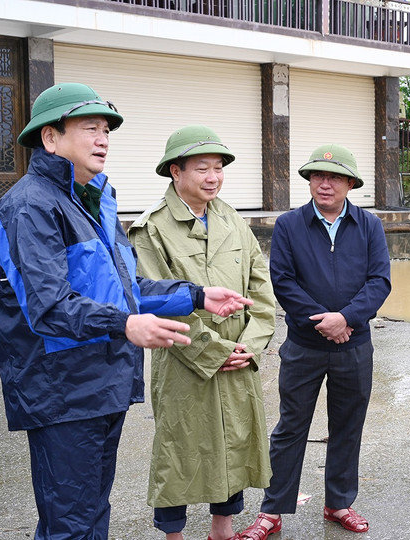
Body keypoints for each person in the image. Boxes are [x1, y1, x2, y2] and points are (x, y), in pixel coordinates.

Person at [0, 83, 249, 539]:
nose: (103, 139)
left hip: (101, 386)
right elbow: (49, 307)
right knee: (69, 523)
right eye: (90, 128)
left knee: (91, 515)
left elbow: (124, 288)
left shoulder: (94, 200)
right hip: (61, 392)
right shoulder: (29, 207)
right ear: (50, 138)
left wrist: (195, 295)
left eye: (106, 129)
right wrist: (126, 325)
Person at [128, 125, 276, 540]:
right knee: (179, 454)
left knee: (234, 448)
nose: (213, 177)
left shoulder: (233, 219)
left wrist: (252, 344)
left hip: (239, 359)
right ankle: (173, 535)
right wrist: (214, 352)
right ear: (175, 172)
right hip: (184, 364)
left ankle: (222, 531)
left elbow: (261, 289)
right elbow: (154, 300)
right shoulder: (152, 229)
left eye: (218, 168)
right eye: (202, 168)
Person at [242, 144, 391, 539]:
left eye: (335, 177)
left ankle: (338, 502)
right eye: (318, 176)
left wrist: (346, 319)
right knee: (291, 425)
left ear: (350, 184)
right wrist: (324, 323)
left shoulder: (369, 226)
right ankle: (272, 511)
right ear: (309, 181)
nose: (325, 184)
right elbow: (284, 282)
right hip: (305, 347)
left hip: (354, 345)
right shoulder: (290, 225)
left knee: (347, 425)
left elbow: (379, 282)